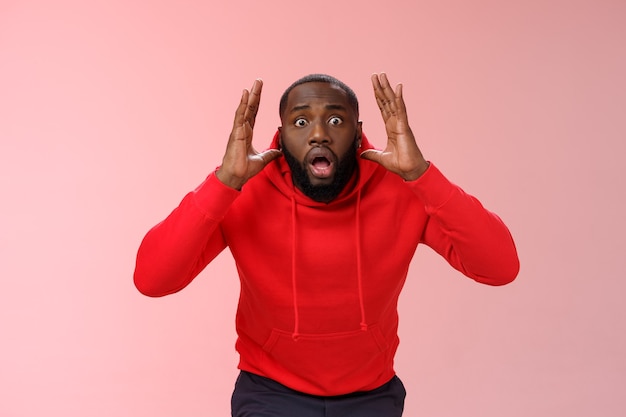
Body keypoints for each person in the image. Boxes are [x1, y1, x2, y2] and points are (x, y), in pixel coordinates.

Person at [134, 73, 519, 416]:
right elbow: (153, 279)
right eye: (301, 122)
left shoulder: (403, 191)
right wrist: (224, 183)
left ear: (357, 133)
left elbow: (500, 268)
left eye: (336, 120)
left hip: (371, 396)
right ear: (282, 137)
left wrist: (421, 175)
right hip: (269, 392)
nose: (319, 133)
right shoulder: (242, 193)